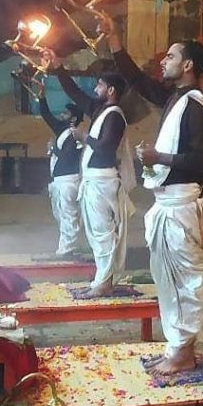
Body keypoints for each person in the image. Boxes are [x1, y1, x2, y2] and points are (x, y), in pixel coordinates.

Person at [99, 13, 203, 375]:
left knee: (188, 280)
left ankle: (184, 351)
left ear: (188, 65)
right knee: (169, 281)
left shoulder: (194, 106)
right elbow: (138, 81)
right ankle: (178, 347)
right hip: (168, 205)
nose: (163, 60)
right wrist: (114, 40)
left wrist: (161, 157)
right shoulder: (176, 97)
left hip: (183, 207)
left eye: (170, 56)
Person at [44, 55, 135, 296]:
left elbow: (105, 147)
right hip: (94, 180)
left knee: (103, 232)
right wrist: (58, 68)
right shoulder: (100, 109)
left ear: (111, 90)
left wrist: (84, 138)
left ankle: (104, 282)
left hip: (103, 181)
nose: (95, 89)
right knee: (97, 233)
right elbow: (75, 93)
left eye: (100, 86)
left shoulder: (115, 115)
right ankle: (102, 279)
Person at [38, 91, 86, 257]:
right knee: (61, 216)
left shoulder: (75, 135)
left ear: (73, 118)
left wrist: (53, 148)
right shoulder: (62, 130)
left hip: (69, 181)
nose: (62, 115)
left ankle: (67, 249)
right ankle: (66, 247)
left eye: (66, 113)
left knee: (69, 216)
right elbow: (46, 115)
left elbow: (67, 156)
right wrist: (42, 97)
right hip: (59, 181)